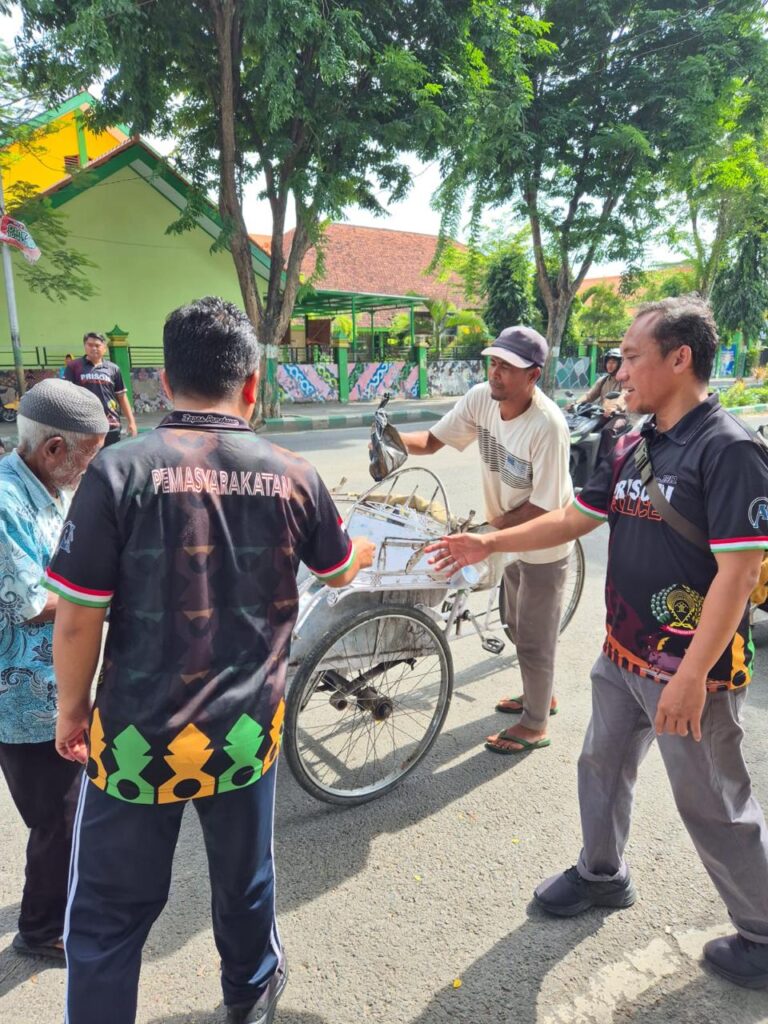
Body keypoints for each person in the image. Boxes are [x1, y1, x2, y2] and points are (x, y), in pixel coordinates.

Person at [43, 297, 376, 1024]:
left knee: (107, 914)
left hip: (134, 741)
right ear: (251, 385)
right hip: (244, 738)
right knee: (245, 883)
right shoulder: (293, 472)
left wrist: (72, 711)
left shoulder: (118, 472)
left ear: (163, 382)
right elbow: (343, 568)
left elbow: (77, 621)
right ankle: (249, 1002)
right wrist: (366, 550)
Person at [426, 296, 768, 989]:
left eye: (632, 356)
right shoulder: (632, 440)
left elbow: (738, 576)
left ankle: (763, 932)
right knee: (600, 767)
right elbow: (576, 517)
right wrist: (487, 541)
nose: (619, 370)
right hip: (622, 653)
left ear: (680, 359)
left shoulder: (728, 450)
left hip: (687, 672)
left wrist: (692, 676)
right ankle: (601, 873)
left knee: (714, 804)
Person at [399, 325, 573, 754]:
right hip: (505, 536)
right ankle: (540, 694)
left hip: (542, 541)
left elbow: (545, 508)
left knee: (534, 635)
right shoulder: (481, 398)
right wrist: (390, 440)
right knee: (515, 623)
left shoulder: (547, 426)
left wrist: (488, 535)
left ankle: (535, 724)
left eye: (507, 367)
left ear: (532, 375)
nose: (495, 373)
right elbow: (432, 442)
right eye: (493, 362)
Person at [0, 379, 107, 961]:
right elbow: (31, 604)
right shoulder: (4, 503)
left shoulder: (45, 489)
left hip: (51, 686)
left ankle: (53, 905)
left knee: (66, 810)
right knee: (58, 819)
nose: (91, 469)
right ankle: (40, 932)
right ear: (54, 450)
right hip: (21, 698)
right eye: (87, 457)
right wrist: (107, 597)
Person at [64, 331, 137, 445]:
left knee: (110, 459)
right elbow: (66, 396)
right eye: (90, 345)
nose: (94, 348)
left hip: (111, 424)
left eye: (97, 345)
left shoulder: (113, 369)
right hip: (84, 425)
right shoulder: (74, 366)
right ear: (85, 346)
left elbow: (121, 396)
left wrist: (131, 422)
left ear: (104, 348)